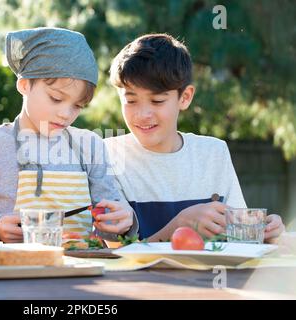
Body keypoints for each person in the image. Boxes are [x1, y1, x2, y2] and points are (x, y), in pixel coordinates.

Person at [0, 27, 137, 246]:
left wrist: (124, 221)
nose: (66, 114)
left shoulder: (90, 145)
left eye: (77, 106)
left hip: (81, 269)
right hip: (17, 274)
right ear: (24, 85)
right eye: (56, 99)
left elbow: (113, 220)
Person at [104, 33, 285, 243]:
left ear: (185, 97)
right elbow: (114, 254)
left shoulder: (213, 153)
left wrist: (264, 232)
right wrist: (179, 226)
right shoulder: (108, 156)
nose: (143, 114)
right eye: (131, 101)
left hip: (209, 276)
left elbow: (238, 238)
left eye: (157, 101)